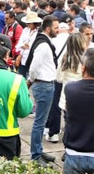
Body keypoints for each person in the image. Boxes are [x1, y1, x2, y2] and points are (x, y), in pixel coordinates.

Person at [26, 15, 59, 165]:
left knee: (42, 121)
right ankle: (35, 155)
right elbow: (34, 67)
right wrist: (30, 81)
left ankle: (38, 150)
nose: (57, 30)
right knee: (40, 122)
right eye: (56, 28)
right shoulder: (43, 45)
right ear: (47, 28)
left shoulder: (44, 42)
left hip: (45, 84)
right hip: (44, 85)